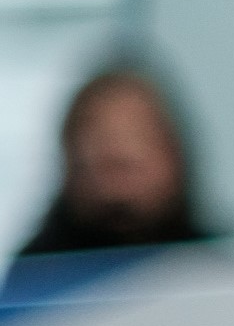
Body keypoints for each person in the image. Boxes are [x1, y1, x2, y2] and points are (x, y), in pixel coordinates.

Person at [18, 57, 212, 258]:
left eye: (130, 164)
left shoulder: (220, 272)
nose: (118, 187)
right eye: (104, 164)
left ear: (173, 155)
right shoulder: (33, 276)